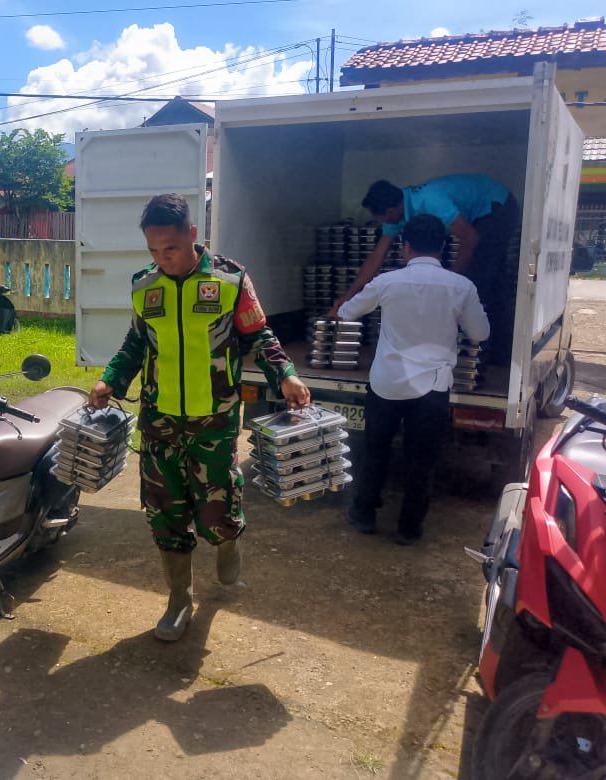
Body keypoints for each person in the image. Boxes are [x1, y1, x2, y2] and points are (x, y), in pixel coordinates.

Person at [87, 193, 311, 642]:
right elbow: (136, 344)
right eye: (153, 250)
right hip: (159, 419)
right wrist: (110, 380)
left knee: (216, 509)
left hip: (215, 419)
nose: (162, 259)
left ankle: (226, 541)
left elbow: (259, 335)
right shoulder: (144, 285)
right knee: (163, 512)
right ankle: (178, 600)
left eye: (169, 248)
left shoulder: (230, 279)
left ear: (192, 234)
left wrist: (285, 374)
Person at [339, 214, 489, 546]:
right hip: (432, 388)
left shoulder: (387, 282)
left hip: (387, 383)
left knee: (375, 452)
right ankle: (409, 528)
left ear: (405, 247)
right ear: (443, 247)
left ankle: (363, 515)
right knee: (422, 459)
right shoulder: (461, 286)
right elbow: (481, 332)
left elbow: (348, 312)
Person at [331, 174, 518, 363]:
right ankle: (493, 352)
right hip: (480, 212)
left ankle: (491, 357)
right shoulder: (397, 214)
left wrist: (451, 283)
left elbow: (470, 239)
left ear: (390, 211)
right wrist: (348, 296)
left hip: (496, 205)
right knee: (488, 280)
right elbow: (375, 259)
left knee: (479, 281)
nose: (382, 223)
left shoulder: (430, 201)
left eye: (381, 219)